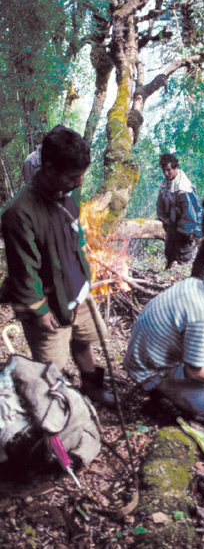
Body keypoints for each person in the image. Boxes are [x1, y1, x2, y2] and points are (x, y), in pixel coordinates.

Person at [1, 125, 114, 408]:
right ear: (49, 169)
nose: (79, 183)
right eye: (73, 176)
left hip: (77, 290)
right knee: (53, 366)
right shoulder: (19, 213)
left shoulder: (69, 194)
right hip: (49, 303)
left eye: (81, 175)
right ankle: (64, 407)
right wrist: (38, 310)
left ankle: (91, 388)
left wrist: (84, 273)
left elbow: (75, 235)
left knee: (83, 341)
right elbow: (23, 269)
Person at [124, 260, 204, 421]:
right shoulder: (200, 315)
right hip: (150, 370)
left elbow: (191, 333)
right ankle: (162, 400)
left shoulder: (194, 284)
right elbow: (193, 372)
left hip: (144, 352)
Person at [156, 153, 203, 269]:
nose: (166, 173)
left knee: (184, 257)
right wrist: (165, 221)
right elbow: (160, 205)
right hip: (173, 225)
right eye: (164, 170)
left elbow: (190, 213)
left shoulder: (183, 187)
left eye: (168, 170)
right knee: (170, 253)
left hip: (187, 228)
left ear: (176, 168)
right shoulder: (165, 184)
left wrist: (187, 233)